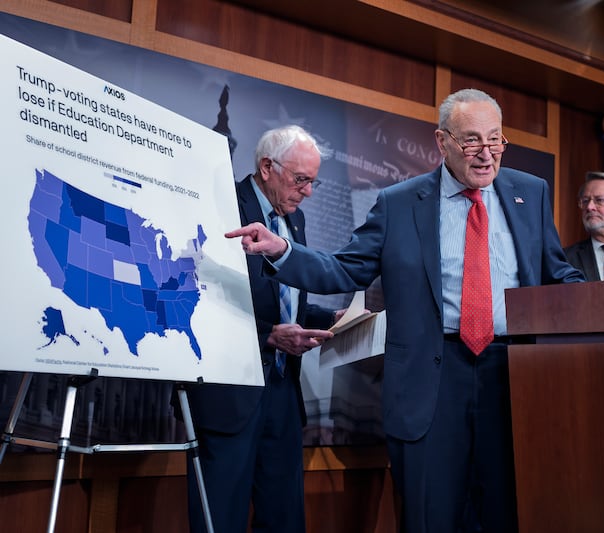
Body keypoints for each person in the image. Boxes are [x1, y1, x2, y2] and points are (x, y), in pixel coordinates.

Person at [226, 88, 584, 533]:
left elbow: (558, 274)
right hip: (431, 384)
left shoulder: (529, 193)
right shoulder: (399, 202)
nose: (487, 153)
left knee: (505, 514)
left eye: (495, 140)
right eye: (472, 140)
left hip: (511, 378)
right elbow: (345, 268)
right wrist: (283, 250)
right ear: (443, 142)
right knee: (429, 516)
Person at [184, 125, 339, 533]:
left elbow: (285, 298)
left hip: (283, 391)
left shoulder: (295, 220)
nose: (307, 191)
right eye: (301, 179)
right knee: (220, 517)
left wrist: (329, 319)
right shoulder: (221, 206)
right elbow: (197, 297)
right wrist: (268, 334)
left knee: (284, 517)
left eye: (312, 181)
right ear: (267, 167)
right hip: (229, 394)